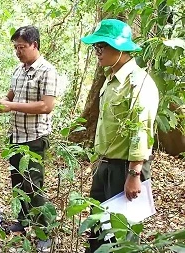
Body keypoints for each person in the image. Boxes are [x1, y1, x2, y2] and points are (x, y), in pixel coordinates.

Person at [81, 19, 159, 252]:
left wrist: (134, 173)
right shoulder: (111, 79)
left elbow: (140, 129)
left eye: (102, 47)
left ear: (120, 48)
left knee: (120, 235)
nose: (98, 52)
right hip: (105, 164)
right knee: (99, 227)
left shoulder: (139, 84)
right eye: (96, 48)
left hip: (125, 168)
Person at [0, 25, 61, 250]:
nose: (18, 52)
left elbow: (46, 106)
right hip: (16, 136)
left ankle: (44, 232)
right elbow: (12, 94)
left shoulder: (47, 71)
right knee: (17, 183)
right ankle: (22, 221)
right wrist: (1, 102)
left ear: (34, 45)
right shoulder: (19, 70)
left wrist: (10, 106)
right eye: (15, 48)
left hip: (34, 138)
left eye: (21, 47)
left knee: (33, 186)